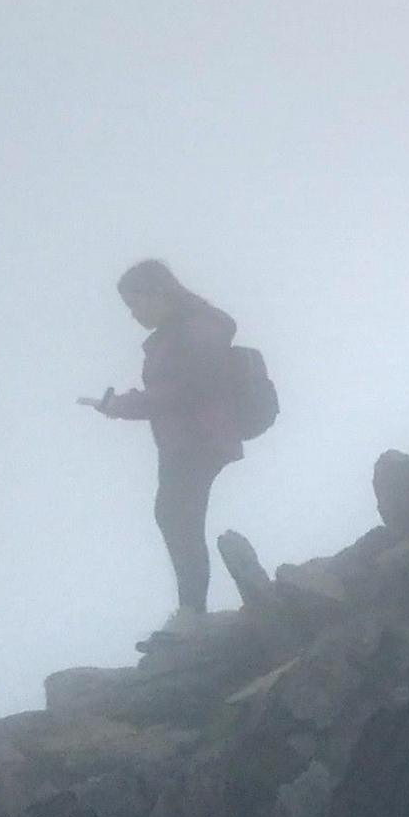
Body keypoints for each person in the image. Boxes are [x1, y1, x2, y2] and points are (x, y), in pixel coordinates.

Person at [84, 260, 253, 618]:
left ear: (160, 293)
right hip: (186, 441)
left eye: (136, 303)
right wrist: (117, 405)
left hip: (199, 439)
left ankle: (191, 614)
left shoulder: (197, 329)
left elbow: (188, 390)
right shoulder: (181, 331)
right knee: (176, 517)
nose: (133, 314)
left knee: (176, 516)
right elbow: (176, 391)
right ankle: (191, 611)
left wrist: (121, 405)